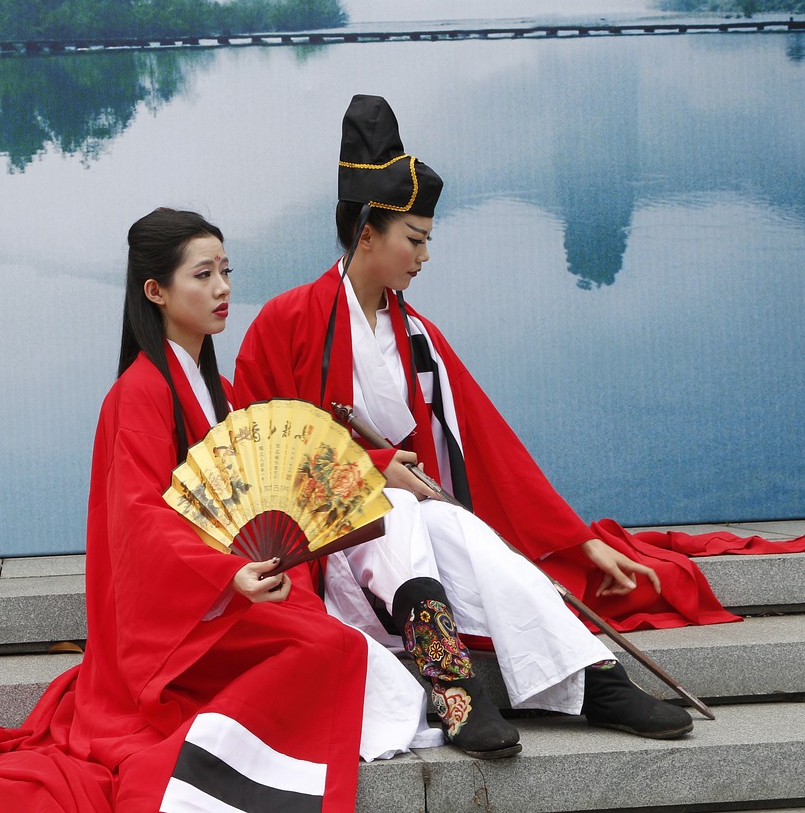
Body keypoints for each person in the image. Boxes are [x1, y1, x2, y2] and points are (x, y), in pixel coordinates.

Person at [0, 207, 447, 813]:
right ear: (156, 291)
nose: (224, 288)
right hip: (177, 626)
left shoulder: (213, 385)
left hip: (217, 605)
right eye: (205, 275)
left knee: (325, 636)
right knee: (326, 647)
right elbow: (138, 523)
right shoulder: (138, 393)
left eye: (227, 270)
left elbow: (277, 465)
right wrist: (224, 577)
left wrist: (372, 467)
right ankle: (216, 772)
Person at [234, 95, 701, 757]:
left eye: (428, 241)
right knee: (395, 505)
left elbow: (490, 444)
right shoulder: (285, 325)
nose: (424, 256)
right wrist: (370, 470)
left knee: (466, 531)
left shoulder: (417, 337)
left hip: (406, 538)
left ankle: (593, 677)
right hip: (329, 546)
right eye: (414, 240)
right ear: (368, 232)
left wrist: (574, 539)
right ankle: (452, 685)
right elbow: (264, 463)